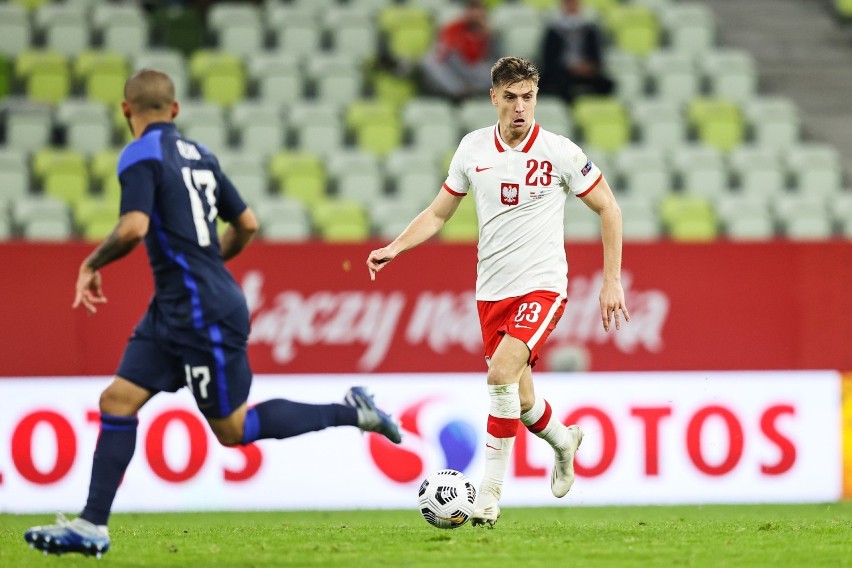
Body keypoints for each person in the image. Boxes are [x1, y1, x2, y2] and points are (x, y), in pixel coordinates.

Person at [24, 69, 401, 558]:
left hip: (201, 313)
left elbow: (134, 227)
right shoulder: (201, 155)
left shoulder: (139, 153)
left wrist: (91, 263)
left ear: (125, 111)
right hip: (175, 309)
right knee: (117, 400)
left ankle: (355, 412)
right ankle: (92, 525)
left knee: (234, 431)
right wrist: (206, 263)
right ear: (175, 110)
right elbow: (247, 224)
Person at [366, 56, 628, 527]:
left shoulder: (559, 152)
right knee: (522, 402)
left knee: (500, 375)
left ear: (536, 98)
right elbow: (439, 213)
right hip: (491, 293)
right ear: (494, 98)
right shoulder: (471, 150)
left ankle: (488, 497)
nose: (520, 107)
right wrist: (396, 246)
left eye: (528, 97)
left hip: (544, 287)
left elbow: (609, 208)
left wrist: (611, 281)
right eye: (510, 97)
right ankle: (564, 443)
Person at [419, 0, 500, 101]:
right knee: (428, 61)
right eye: (473, 11)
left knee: (497, 71)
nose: (476, 16)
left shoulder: (490, 33)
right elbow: (444, 54)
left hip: (476, 71)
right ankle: (460, 91)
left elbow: (492, 59)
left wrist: (487, 37)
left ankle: (470, 90)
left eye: (479, 13)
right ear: (467, 12)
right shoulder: (454, 28)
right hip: (456, 67)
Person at [539, 0, 614, 103]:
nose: (572, 7)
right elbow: (549, 59)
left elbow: (596, 56)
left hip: (584, 71)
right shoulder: (553, 31)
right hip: (562, 72)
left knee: (607, 84)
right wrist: (570, 67)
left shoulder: (589, 30)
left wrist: (587, 66)